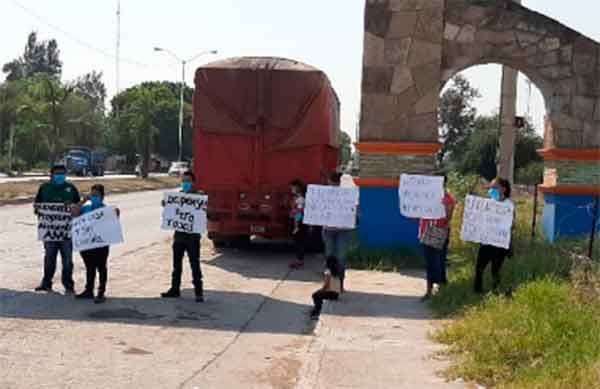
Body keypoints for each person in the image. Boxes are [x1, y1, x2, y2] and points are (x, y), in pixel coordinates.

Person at [33, 164, 80, 293]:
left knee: (67, 260)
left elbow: (78, 207)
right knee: (49, 258)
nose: (60, 176)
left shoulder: (71, 188)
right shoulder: (44, 188)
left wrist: (72, 207)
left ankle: (68, 285)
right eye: (57, 173)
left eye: (62, 173)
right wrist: (39, 210)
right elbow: (37, 205)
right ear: (51, 175)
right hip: (50, 232)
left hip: (66, 232)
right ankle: (46, 283)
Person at [161, 171, 205, 302]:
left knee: (194, 263)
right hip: (179, 237)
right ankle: (175, 289)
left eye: (188, 181)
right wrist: (165, 204)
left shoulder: (198, 197)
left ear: (193, 182)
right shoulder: (177, 197)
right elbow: (169, 211)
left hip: (193, 238)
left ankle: (198, 291)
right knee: (176, 265)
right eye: (183, 181)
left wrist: (202, 200)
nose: (185, 183)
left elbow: (203, 213)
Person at [73, 184, 119, 304]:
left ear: (102, 197)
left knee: (101, 267)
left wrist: (116, 213)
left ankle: (101, 291)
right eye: (92, 195)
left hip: (101, 245)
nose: (94, 197)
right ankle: (89, 290)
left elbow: (114, 220)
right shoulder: (86, 208)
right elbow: (74, 212)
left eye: (96, 195)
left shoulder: (106, 210)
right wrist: (83, 201)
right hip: (87, 244)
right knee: (89, 267)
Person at [418, 174, 456, 301]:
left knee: (438, 261)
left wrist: (441, 210)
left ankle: (441, 287)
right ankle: (429, 290)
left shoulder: (448, 198)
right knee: (429, 262)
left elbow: (448, 217)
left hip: (439, 233)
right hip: (426, 232)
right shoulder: (426, 196)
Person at [474, 178, 515, 294]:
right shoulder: (487, 204)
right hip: (487, 241)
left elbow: (512, 224)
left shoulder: (508, 205)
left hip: (500, 242)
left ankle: (496, 291)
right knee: (479, 268)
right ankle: (477, 291)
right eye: (490, 188)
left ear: (503, 189)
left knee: (496, 269)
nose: (491, 190)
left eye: (494, 187)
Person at [321, 172, 356, 292]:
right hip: (330, 230)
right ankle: (332, 285)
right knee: (335, 257)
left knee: (336, 257)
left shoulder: (348, 194)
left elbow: (354, 209)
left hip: (342, 230)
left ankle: (335, 285)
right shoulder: (324, 194)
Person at [310, 256, 342, 320]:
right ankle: (318, 308)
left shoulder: (328, 271)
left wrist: (321, 290)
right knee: (319, 294)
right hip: (336, 294)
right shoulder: (338, 271)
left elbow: (326, 285)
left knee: (315, 295)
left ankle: (317, 311)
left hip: (331, 293)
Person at [289, 179, 307, 269]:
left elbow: (299, 213)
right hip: (297, 221)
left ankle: (299, 261)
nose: (291, 189)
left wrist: (296, 225)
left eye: (292, 187)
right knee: (298, 242)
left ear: (297, 188)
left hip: (299, 223)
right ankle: (298, 260)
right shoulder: (297, 198)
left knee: (299, 242)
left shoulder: (300, 199)